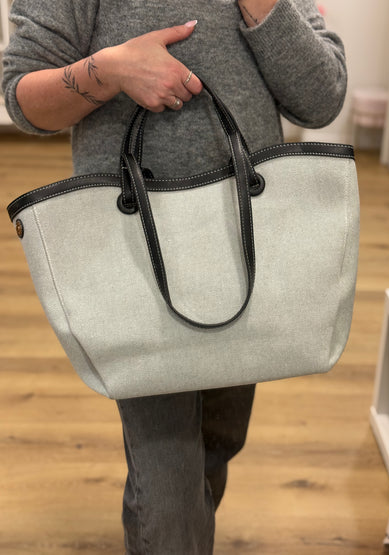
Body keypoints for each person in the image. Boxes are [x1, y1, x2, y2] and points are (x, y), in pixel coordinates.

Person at [2, 1, 347, 553]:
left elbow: (321, 99)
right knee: (170, 485)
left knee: (217, 441)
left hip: (248, 244)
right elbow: (23, 100)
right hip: (132, 254)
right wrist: (111, 71)